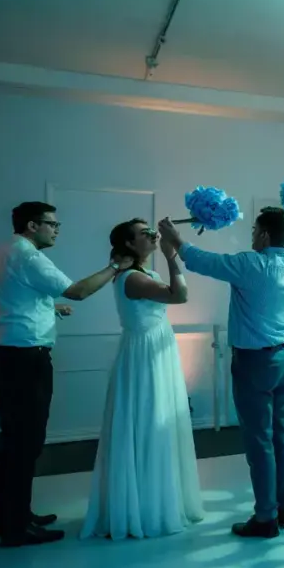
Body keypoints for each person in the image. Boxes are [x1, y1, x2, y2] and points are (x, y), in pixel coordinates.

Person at [0, 201, 133, 548]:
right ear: (32, 226)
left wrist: (45, 308)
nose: (57, 230)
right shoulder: (29, 256)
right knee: (25, 442)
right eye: (52, 224)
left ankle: (12, 516)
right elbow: (78, 291)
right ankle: (17, 528)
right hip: (23, 358)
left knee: (11, 440)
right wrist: (115, 266)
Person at [159, 207, 284, 539]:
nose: (252, 235)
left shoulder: (250, 264)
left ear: (265, 235)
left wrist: (174, 239)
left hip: (256, 363)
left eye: (256, 229)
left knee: (260, 441)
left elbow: (203, 261)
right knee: (283, 437)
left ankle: (265, 517)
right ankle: (283, 510)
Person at [81, 219, 204, 539]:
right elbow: (179, 296)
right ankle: (147, 508)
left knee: (156, 424)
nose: (152, 235)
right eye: (144, 233)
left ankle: (158, 500)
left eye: (152, 230)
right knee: (147, 423)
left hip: (155, 350)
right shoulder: (132, 277)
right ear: (130, 244)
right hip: (144, 355)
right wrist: (171, 254)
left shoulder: (143, 274)